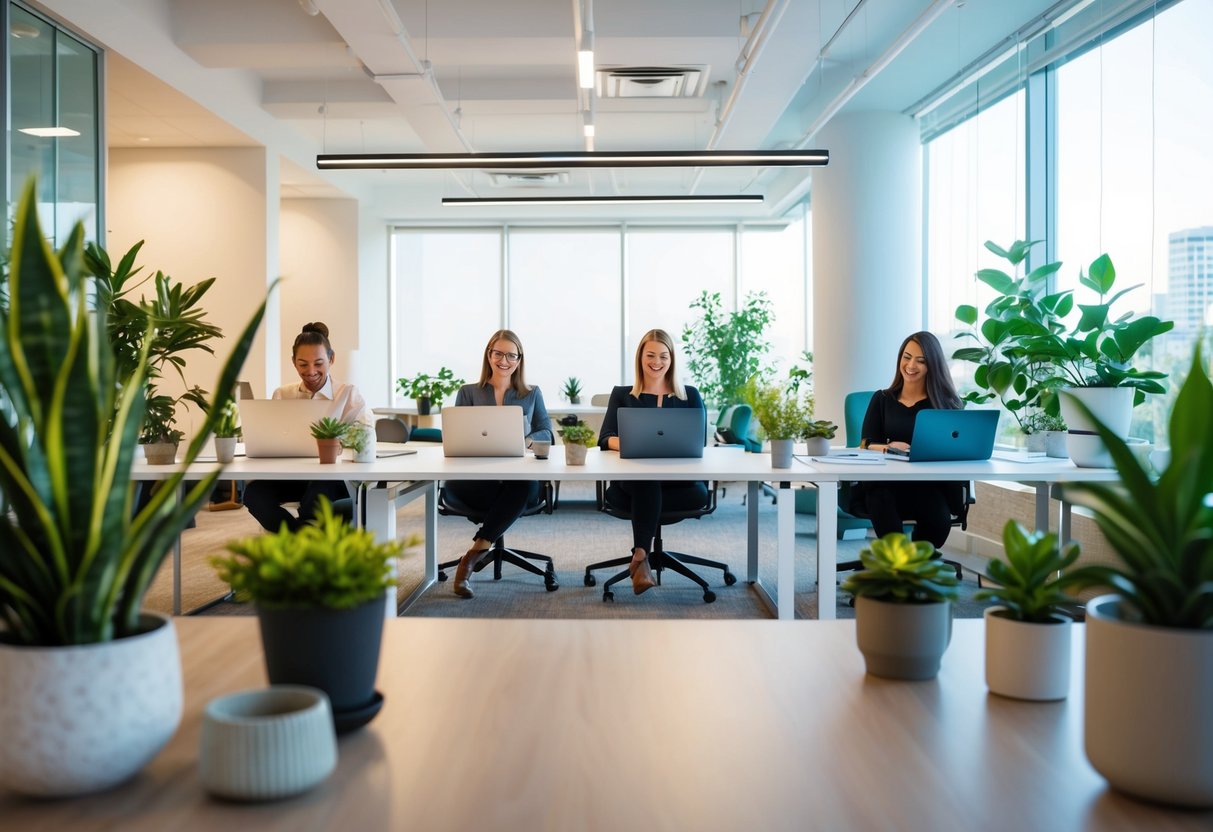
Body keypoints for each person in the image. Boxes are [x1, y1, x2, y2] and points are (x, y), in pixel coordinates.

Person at [597, 329, 709, 596]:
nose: (656, 362)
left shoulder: (689, 395)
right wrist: (631, 443)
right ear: (640, 358)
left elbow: (699, 441)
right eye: (650, 355)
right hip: (632, 486)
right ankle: (641, 555)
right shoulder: (623, 394)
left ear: (671, 359)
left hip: (681, 487)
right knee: (646, 477)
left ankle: (639, 557)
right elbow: (604, 438)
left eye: (663, 356)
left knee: (658, 486)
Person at [448, 329, 553, 599]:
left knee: (522, 485)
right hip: (475, 479)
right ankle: (481, 549)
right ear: (489, 355)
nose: (504, 360)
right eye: (498, 353)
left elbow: (546, 432)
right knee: (514, 490)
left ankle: (472, 556)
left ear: (519, 360)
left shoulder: (531, 394)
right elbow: (455, 433)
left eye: (511, 355)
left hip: (518, 479)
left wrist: (525, 439)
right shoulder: (468, 393)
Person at [243, 322, 371, 533]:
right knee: (254, 495)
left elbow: (362, 439)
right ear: (294, 363)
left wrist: (338, 443)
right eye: (303, 364)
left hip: (332, 476)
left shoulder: (348, 394)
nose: (311, 372)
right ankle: (299, 539)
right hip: (293, 474)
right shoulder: (282, 394)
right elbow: (271, 436)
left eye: (318, 363)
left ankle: (296, 546)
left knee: (316, 498)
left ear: (331, 359)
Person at [851, 330, 965, 549]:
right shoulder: (883, 398)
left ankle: (917, 565)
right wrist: (889, 448)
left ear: (932, 365)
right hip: (885, 484)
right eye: (907, 357)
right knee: (881, 500)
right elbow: (865, 443)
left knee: (938, 522)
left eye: (920, 361)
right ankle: (898, 564)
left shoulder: (945, 404)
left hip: (926, 485)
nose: (911, 365)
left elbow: (956, 448)